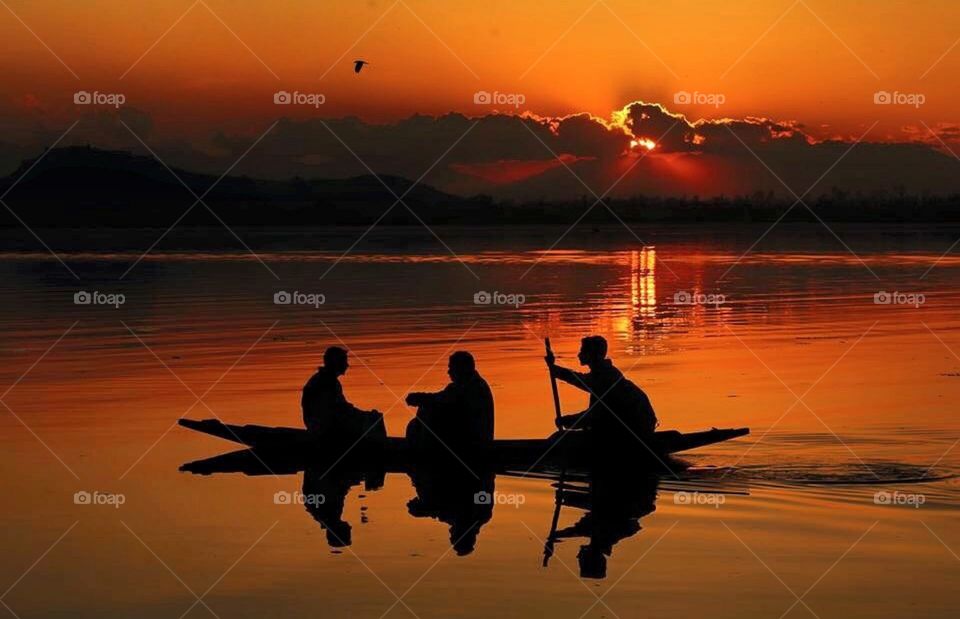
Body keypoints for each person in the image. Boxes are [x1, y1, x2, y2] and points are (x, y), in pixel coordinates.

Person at [546, 335, 658, 447]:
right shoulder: (604, 374)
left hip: (634, 428)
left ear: (593, 355)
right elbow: (581, 381)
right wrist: (553, 368)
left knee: (561, 438)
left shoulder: (605, 377)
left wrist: (566, 421)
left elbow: (593, 416)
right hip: (637, 425)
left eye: (583, 351)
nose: (579, 355)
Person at [404, 351, 494, 448]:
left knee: (427, 413)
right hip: (470, 438)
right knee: (425, 411)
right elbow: (441, 398)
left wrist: (420, 399)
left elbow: (442, 400)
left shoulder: (472, 387)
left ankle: (423, 452)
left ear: (461, 369)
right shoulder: (467, 385)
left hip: (472, 443)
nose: (448, 372)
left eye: (451, 368)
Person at [301, 346, 386, 441]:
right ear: (336, 363)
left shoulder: (323, 379)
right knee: (374, 419)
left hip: (318, 423)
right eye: (344, 361)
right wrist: (365, 415)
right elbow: (338, 409)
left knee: (370, 418)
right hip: (323, 426)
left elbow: (340, 408)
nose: (347, 365)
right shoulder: (328, 382)